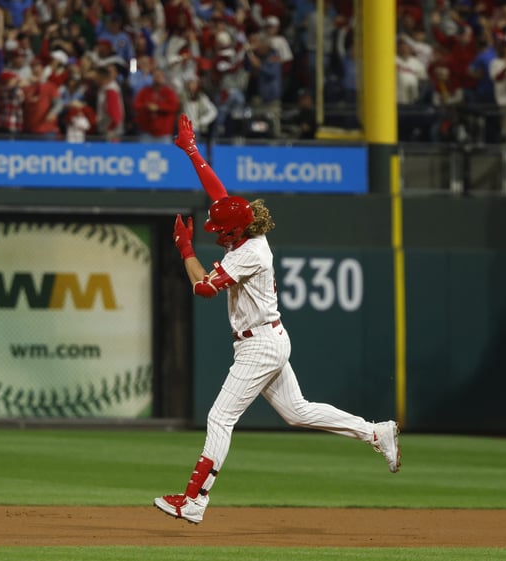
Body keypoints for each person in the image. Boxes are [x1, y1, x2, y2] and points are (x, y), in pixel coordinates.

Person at [153, 114, 401, 525]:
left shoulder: (248, 253)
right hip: (269, 337)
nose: (218, 231)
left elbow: (202, 289)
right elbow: (220, 194)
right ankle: (376, 432)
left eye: (221, 230)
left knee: (219, 417)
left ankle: (194, 500)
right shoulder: (246, 226)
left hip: (259, 345)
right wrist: (192, 150)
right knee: (297, 411)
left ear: (236, 231)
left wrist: (184, 249)